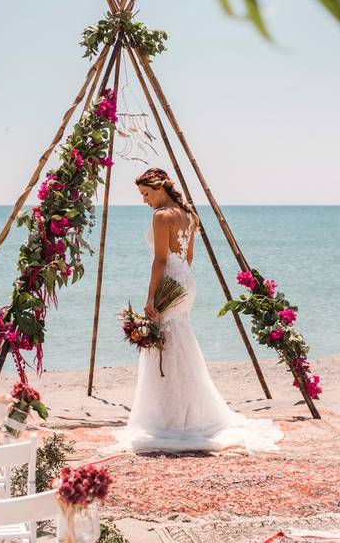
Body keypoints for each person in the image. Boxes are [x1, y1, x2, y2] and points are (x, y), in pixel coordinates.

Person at [111, 168, 282, 453]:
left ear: (160, 188)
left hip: (168, 281)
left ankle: (172, 418)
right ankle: (185, 413)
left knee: (165, 346)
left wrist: (150, 297)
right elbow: (187, 256)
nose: (144, 200)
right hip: (185, 283)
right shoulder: (190, 215)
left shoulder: (161, 216)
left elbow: (160, 260)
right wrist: (177, 280)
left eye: (146, 193)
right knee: (178, 343)